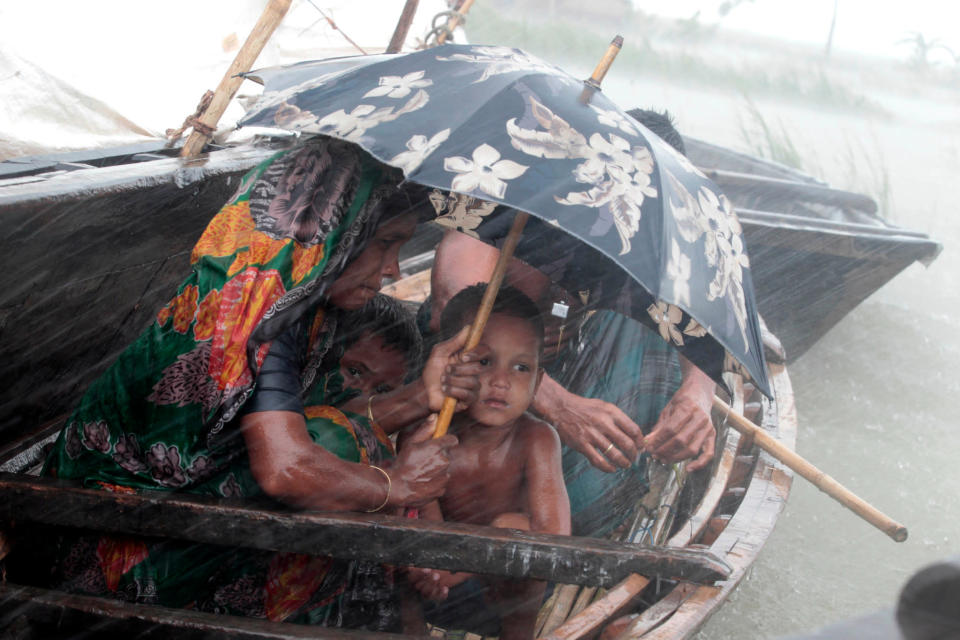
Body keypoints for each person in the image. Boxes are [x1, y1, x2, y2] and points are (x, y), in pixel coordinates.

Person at [38, 138, 484, 630]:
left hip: (178, 520)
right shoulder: (254, 308)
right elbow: (286, 470)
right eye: (385, 243)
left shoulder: (300, 307)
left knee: (345, 450)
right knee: (344, 455)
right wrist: (396, 484)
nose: (395, 269)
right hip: (115, 539)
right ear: (334, 231)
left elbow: (300, 428)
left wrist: (423, 396)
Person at [427, 109, 716, 537]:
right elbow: (458, 308)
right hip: (466, 383)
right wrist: (562, 407)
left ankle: (602, 497)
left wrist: (698, 395)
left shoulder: (637, 232)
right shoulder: (510, 204)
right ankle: (561, 514)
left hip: (552, 372)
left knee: (653, 328)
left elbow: (699, 311)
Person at [407, 284, 570, 640]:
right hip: (437, 576)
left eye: (521, 367)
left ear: (538, 381)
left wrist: (493, 540)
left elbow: (556, 537)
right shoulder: (426, 436)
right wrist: (431, 570)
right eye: (483, 361)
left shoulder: (536, 438)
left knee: (519, 534)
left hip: (507, 584)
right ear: (449, 362)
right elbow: (428, 534)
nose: (500, 382)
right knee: (399, 554)